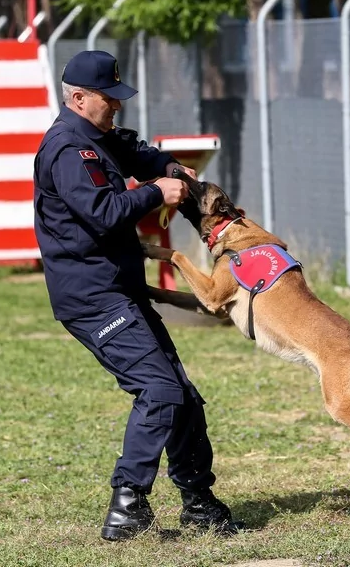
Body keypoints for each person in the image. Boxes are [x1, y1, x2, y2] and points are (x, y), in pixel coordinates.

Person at [33, 50, 244, 541]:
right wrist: (157, 193)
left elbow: (137, 152)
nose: (117, 106)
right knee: (159, 390)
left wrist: (171, 168)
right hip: (93, 298)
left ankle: (198, 502)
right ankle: (127, 505)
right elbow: (104, 212)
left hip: (119, 291)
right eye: (110, 98)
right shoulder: (68, 149)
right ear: (79, 98)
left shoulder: (99, 136)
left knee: (183, 397)